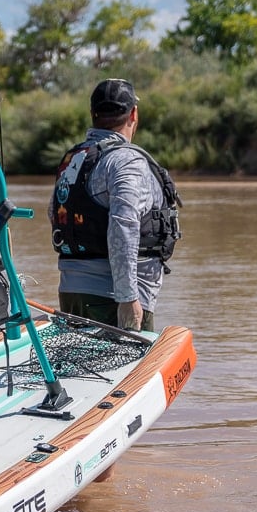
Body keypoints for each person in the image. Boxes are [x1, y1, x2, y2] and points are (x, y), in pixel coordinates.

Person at [48, 78, 181, 333]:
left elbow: (54, 213)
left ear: (92, 114)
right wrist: (128, 298)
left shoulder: (73, 159)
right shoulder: (126, 162)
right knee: (127, 372)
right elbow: (124, 227)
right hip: (115, 301)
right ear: (134, 114)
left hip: (72, 292)